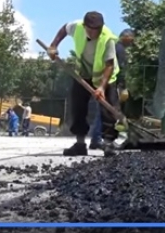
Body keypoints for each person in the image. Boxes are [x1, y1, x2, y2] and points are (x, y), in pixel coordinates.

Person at [47, 11, 121, 157]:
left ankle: (108, 144)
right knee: (77, 106)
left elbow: (110, 65)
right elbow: (64, 29)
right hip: (84, 74)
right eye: (91, 30)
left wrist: (101, 87)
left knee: (109, 110)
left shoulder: (108, 38)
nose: (94, 33)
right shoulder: (77, 27)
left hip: (105, 77)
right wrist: (53, 45)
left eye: (97, 30)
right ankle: (80, 143)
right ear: (84, 26)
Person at [89, 28, 134, 150]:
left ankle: (96, 139)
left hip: (104, 81)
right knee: (108, 112)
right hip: (111, 83)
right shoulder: (119, 50)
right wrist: (123, 87)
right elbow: (120, 70)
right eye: (131, 39)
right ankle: (99, 139)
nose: (131, 43)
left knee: (103, 111)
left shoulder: (113, 47)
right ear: (126, 37)